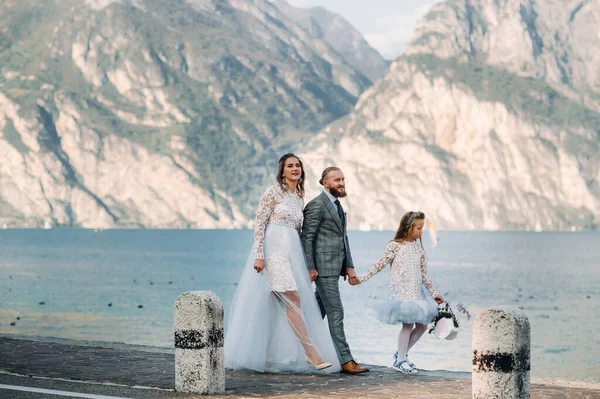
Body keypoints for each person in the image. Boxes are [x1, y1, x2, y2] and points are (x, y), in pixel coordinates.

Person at [224, 154, 340, 373]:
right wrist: (259, 254)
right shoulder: (273, 192)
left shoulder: (299, 197)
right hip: (273, 249)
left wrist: (305, 263)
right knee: (293, 297)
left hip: (291, 252)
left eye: (298, 165)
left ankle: (254, 352)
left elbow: (298, 231)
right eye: (290, 166)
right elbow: (260, 223)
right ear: (282, 171)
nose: (295, 168)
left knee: (268, 303)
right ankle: (311, 352)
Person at [350, 211, 444, 374]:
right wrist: (361, 278)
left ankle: (401, 353)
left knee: (422, 326)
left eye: (422, 229)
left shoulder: (418, 249)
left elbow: (425, 275)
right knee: (407, 325)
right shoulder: (395, 246)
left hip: (417, 294)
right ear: (409, 228)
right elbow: (379, 265)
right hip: (402, 294)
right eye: (419, 229)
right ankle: (400, 361)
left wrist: (434, 293)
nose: (421, 232)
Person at [300, 166, 369, 374]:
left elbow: (343, 238)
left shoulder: (337, 205)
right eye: (336, 180)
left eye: (343, 179)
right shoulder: (316, 205)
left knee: (315, 312)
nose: (341, 183)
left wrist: (349, 267)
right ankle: (346, 360)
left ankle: (298, 350)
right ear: (324, 183)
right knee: (336, 312)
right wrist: (310, 268)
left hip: (335, 267)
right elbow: (307, 238)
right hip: (323, 269)